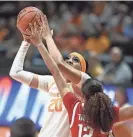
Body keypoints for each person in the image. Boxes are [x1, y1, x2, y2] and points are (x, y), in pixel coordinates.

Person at [26, 17, 133, 137]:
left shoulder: (76, 104)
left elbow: (56, 68)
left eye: (75, 59)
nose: (70, 61)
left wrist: (45, 39)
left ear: (83, 96)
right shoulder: (109, 113)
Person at [9, 17, 90, 137]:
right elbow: (15, 73)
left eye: (76, 59)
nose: (69, 60)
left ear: (82, 70)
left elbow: (58, 63)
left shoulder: (85, 84)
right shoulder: (52, 82)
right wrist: (26, 42)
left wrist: (47, 37)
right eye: (67, 58)